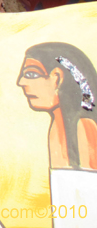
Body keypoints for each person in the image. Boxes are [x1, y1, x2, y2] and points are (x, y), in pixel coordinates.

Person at [17, 43, 97, 219]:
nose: (21, 82)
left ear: (57, 78)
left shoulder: (84, 127)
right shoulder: (57, 129)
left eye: (31, 74)